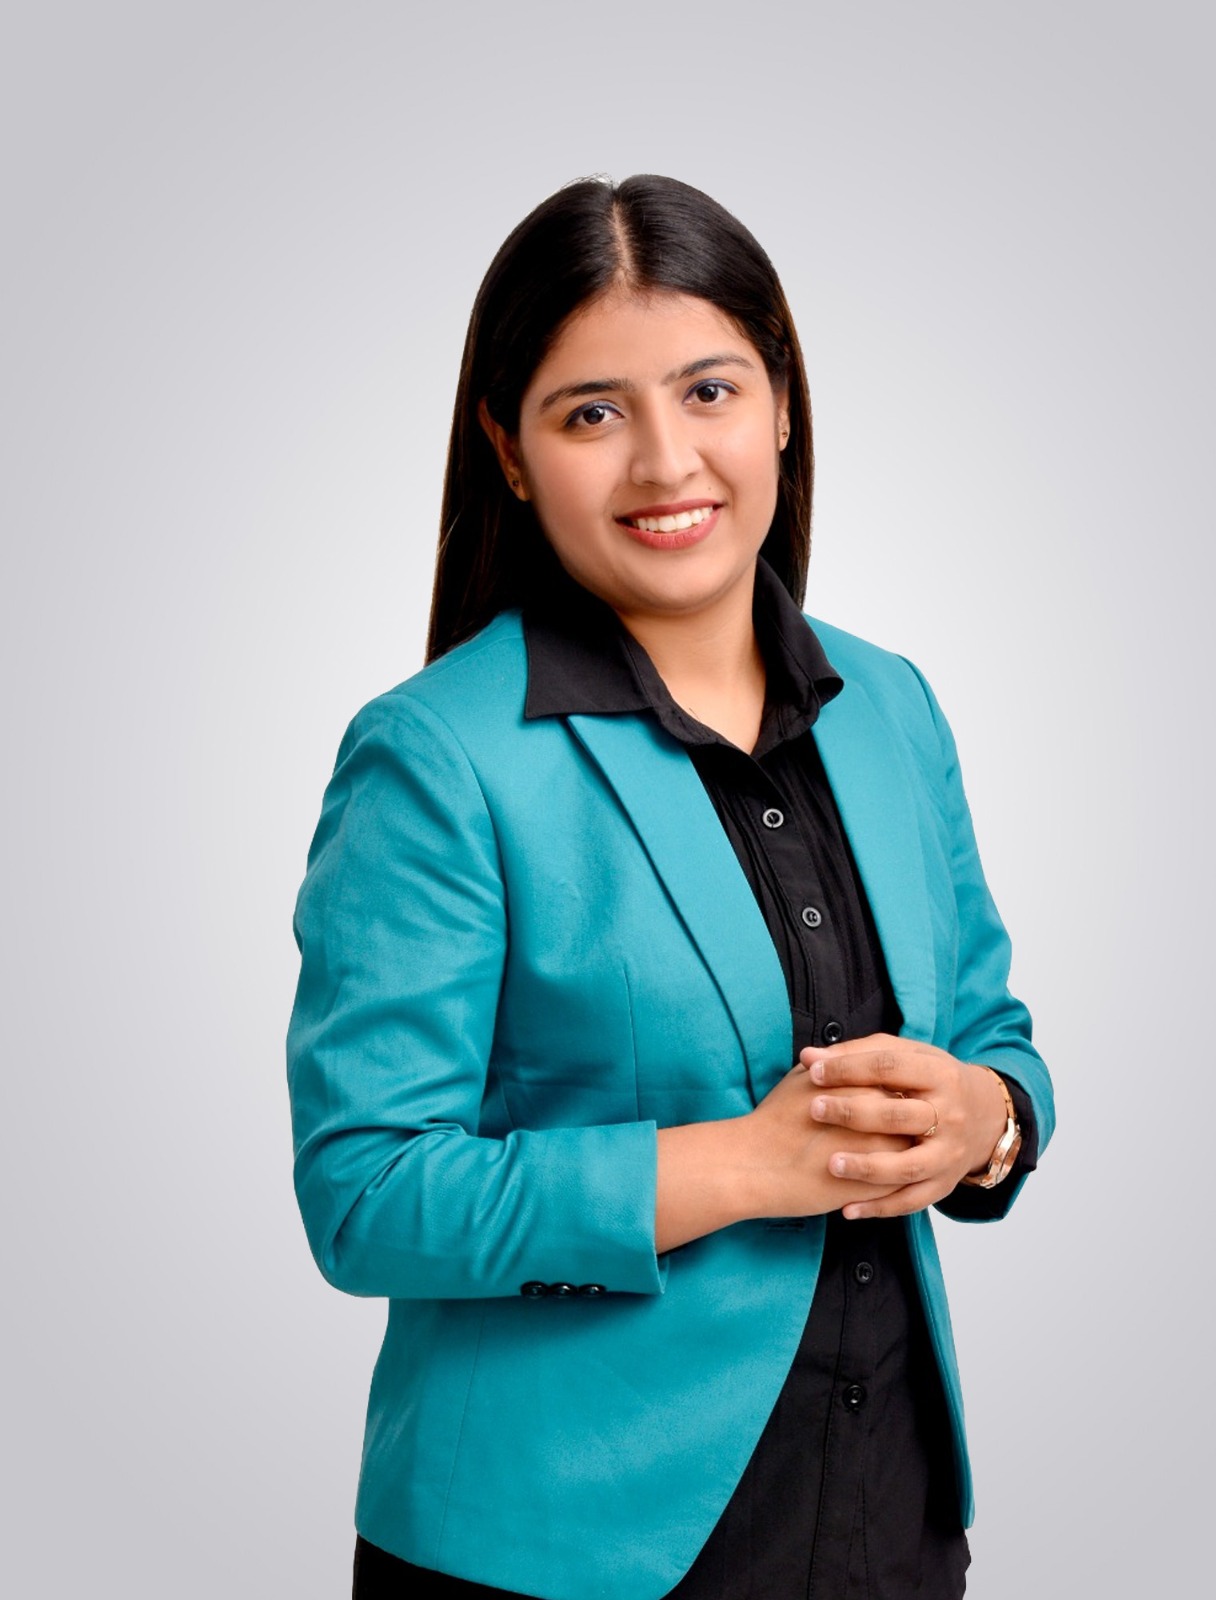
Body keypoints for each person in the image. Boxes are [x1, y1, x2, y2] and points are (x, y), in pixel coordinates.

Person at [287, 173, 1055, 1600]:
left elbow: (993, 1034)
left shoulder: (891, 706)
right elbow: (367, 1192)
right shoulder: (436, 756)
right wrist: (741, 1167)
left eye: (709, 391)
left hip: (884, 1518)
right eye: (592, 413)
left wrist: (987, 1122)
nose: (664, 461)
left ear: (782, 405)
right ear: (510, 452)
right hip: (557, 1551)